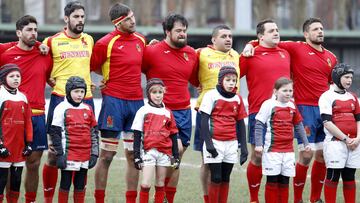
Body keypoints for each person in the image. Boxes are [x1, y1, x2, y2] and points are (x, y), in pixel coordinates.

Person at [243, 18, 337, 203]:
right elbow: (263, 42)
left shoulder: (327, 57)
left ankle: (313, 199)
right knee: (263, 156)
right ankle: (258, 199)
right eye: (315, 29)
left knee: (321, 155)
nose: (320, 31)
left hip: (307, 111)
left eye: (322, 28)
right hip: (282, 109)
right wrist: (249, 44)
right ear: (306, 34)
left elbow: (333, 84)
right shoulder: (291, 48)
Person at [90, 3, 146, 203]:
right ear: (118, 23)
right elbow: (94, 67)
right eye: (128, 19)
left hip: (137, 104)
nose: (133, 21)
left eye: (132, 17)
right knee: (107, 156)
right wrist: (105, 78)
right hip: (113, 101)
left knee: (134, 156)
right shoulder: (105, 43)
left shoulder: (141, 40)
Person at [142, 13, 199, 203]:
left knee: (177, 158)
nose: (183, 34)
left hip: (183, 111)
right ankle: (157, 193)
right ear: (167, 31)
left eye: (184, 31)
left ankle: (167, 198)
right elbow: (133, 68)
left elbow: (195, 79)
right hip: (160, 112)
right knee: (170, 153)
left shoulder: (191, 53)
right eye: (178, 31)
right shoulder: (151, 51)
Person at [42, 1, 94, 202]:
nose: (80, 20)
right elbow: (43, 69)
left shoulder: (89, 39)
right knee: (55, 154)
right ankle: (48, 199)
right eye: (76, 17)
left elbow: (97, 64)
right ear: (66, 19)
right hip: (59, 101)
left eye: (82, 17)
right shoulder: (52, 41)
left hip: (87, 100)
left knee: (84, 152)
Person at [0, 15, 52, 203]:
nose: (33, 33)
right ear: (18, 33)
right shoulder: (5, 54)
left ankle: (29, 200)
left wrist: (39, 46)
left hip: (37, 115)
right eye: (29, 30)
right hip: (12, 116)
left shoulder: (45, 54)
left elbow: (51, 77)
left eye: (35, 30)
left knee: (33, 163)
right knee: (7, 164)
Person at [192, 24, 245, 203]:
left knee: (225, 168)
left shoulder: (236, 55)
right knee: (208, 162)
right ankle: (209, 199)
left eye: (230, 36)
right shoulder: (201, 53)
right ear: (213, 40)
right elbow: (188, 67)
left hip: (230, 114)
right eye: (223, 36)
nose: (228, 39)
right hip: (207, 112)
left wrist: (252, 43)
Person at [239, 19, 290, 203]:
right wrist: (250, 45)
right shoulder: (250, 54)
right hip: (258, 113)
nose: (276, 33)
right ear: (261, 36)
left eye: (277, 29)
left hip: (284, 114)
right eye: (271, 31)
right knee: (258, 156)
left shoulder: (286, 52)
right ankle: (254, 199)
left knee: (280, 159)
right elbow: (232, 77)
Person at [254, 77, 311, 203]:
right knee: (272, 181)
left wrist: (306, 142)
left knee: (285, 181)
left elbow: (298, 125)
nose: (288, 93)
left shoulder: (292, 105)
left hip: (289, 152)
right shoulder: (268, 104)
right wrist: (258, 144)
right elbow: (259, 125)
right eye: (285, 90)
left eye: (290, 91)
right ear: (275, 91)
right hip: (272, 151)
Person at [200, 66, 247, 203]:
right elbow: (203, 122)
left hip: (231, 143)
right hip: (215, 142)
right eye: (228, 80)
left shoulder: (238, 99)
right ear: (221, 80)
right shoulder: (211, 95)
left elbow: (241, 124)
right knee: (216, 177)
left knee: (226, 177)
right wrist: (209, 145)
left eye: (234, 80)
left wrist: (243, 147)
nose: (231, 83)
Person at [49, 76, 98, 203]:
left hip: (85, 154)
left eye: (82, 91)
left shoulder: (88, 108)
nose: (79, 94)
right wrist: (59, 154)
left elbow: (93, 133)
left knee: (80, 184)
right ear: (68, 91)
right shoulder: (61, 108)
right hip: (68, 154)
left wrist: (94, 153)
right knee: (65, 184)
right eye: (76, 91)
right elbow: (55, 133)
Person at [131, 78, 180, 203]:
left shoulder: (168, 113)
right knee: (146, 184)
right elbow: (136, 134)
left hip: (165, 153)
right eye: (154, 92)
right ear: (148, 94)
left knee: (160, 184)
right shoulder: (143, 111)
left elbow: (173, 135)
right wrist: (136, 156)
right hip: (148, 152)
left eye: (160, 92)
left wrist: (176, 156)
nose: (158, 95)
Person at [319, 63, 360, 203]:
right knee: (333, 176)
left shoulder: (353, 97)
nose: (349, 80)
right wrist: (346, 140)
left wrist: (358, 139)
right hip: (335, 144)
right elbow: (327, 123)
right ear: (337, 77)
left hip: (355, 144)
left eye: (351, 78)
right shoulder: (326, 96)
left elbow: (358, 120)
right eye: (346, 77)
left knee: (350, 176)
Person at [0, 64, 33, 202]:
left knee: (16, 181)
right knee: (1, 181)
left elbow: (28, 122)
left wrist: (29, 143)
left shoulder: (23, 97)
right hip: (4, 147)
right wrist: (0, 145)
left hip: (19, 148)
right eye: (12, 76)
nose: (15, 79)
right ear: (3, 78)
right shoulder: (1, 95)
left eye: (18, 76)